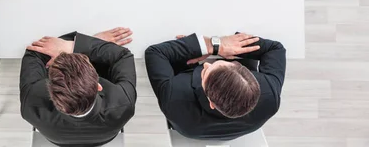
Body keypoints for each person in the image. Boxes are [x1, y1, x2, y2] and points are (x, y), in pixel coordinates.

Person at [145, 32, 286, 141]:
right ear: (243, 70)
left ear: (211, 103)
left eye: (205, 72)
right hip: (235, 127)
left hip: (190, 126)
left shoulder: (174, 97)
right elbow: (276, 49)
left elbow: (155, 53)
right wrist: (224, 48)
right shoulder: (270, 96)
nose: (207, 63)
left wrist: (213, 46)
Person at [20, 28, 136, 146]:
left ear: (51, 92)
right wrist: (83, 44)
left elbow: (35, 52)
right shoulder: (124, 103)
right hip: (104, 138)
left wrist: (71, 48)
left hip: (58, 139)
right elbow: (123, 55)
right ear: (98, 86)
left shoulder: (30, 105)